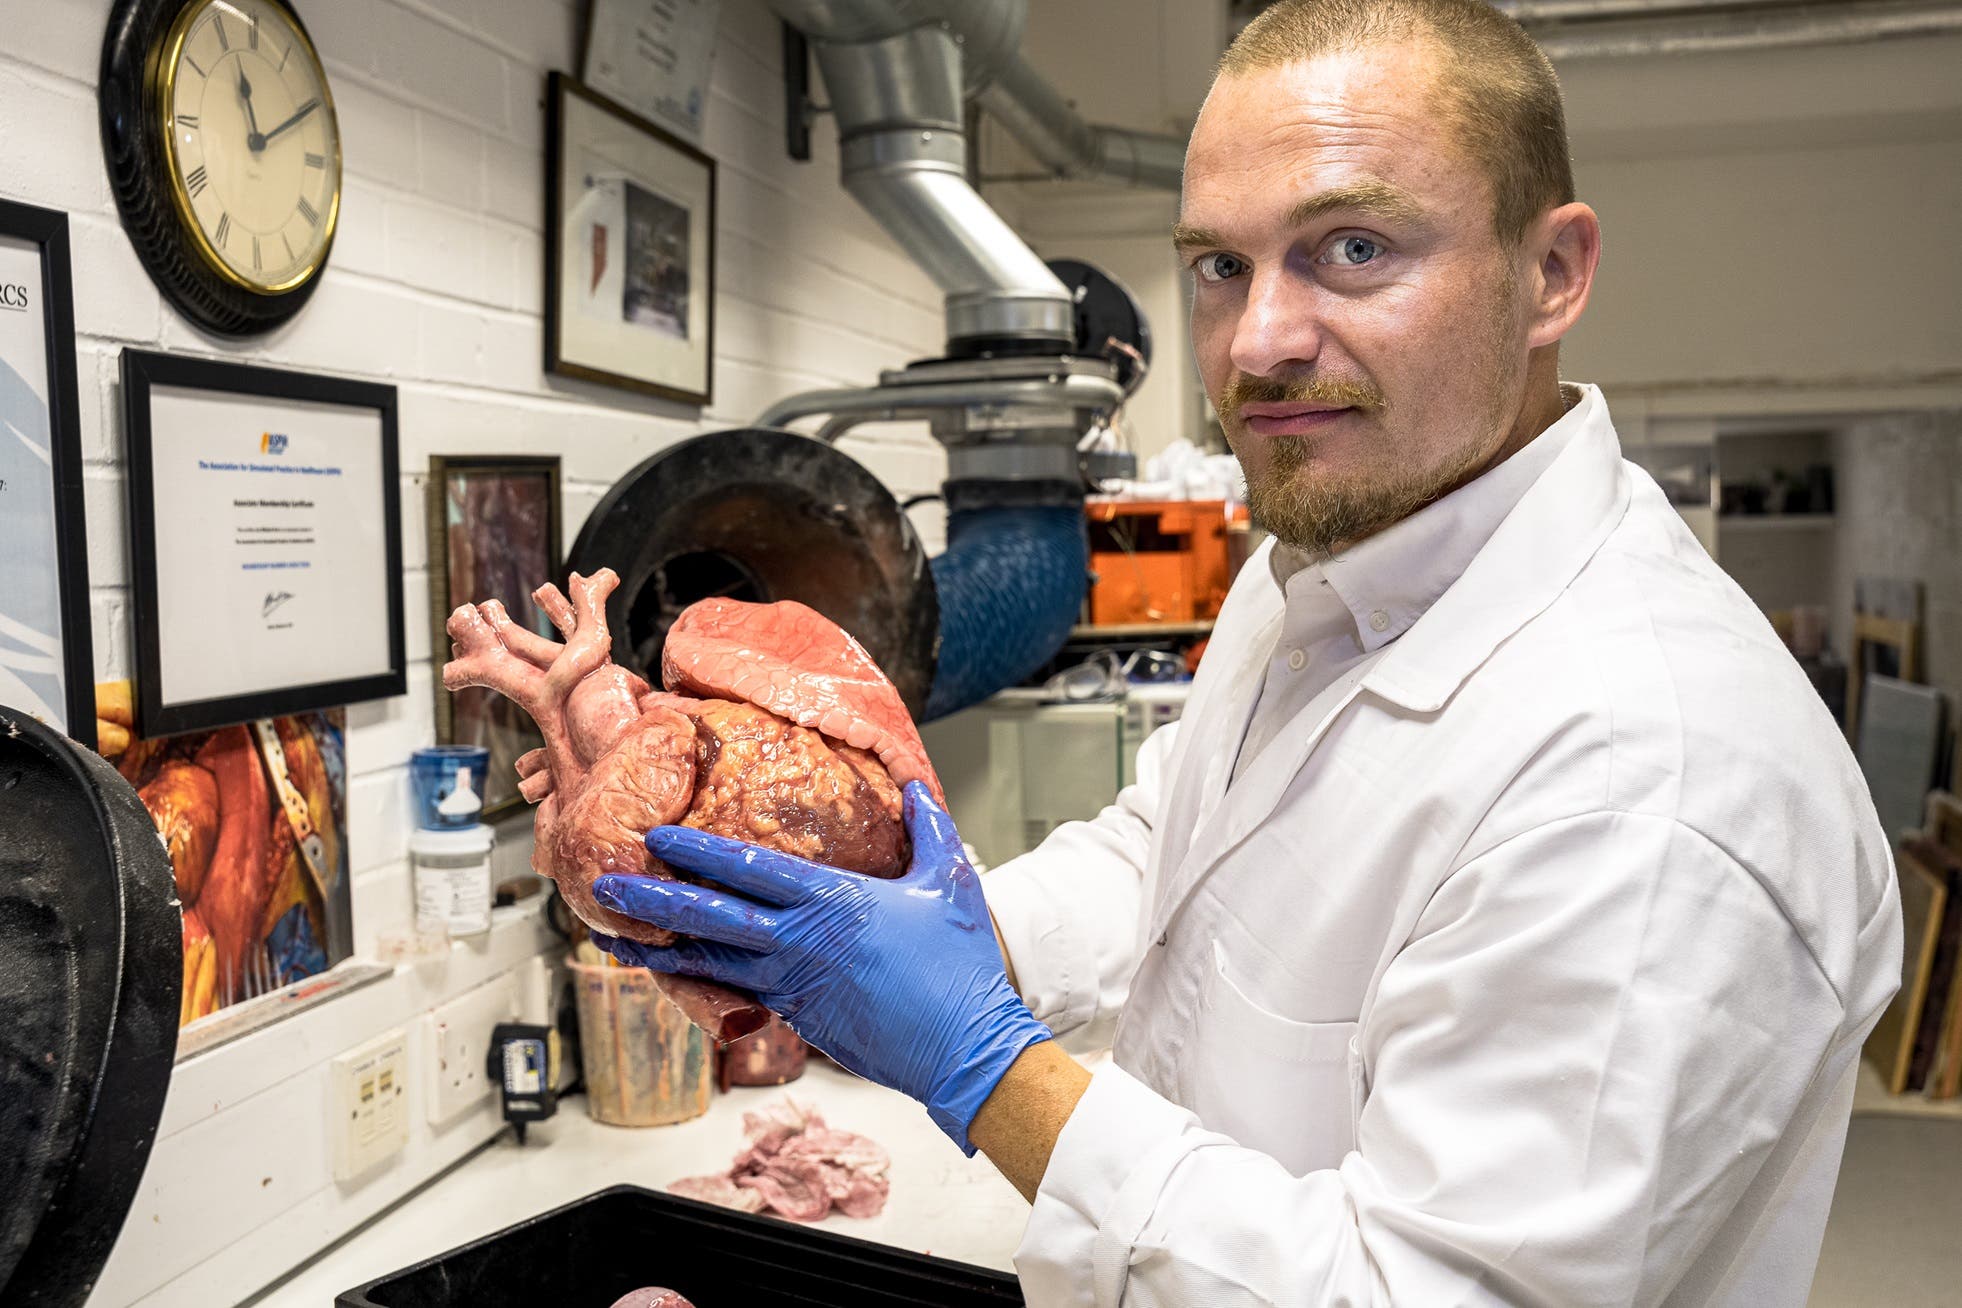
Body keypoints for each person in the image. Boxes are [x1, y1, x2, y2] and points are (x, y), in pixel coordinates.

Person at [591, 1, 1902, 1303]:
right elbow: (1162, 855)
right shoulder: (1327, 565)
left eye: (1351, 245)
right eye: (1219, 263)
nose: (1258, 342)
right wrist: (892, 929)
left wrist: (981, 1061)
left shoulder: (1649, 776)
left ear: (1550, 273)